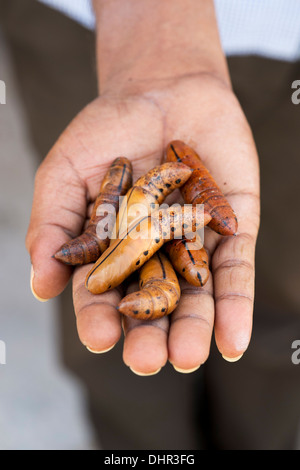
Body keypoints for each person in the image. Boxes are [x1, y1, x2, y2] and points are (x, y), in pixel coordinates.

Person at [1, 0, 299, 450]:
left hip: (282, 38)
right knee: (121, 361)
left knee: (276, 300)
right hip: (86, 30)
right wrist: (149, 34)